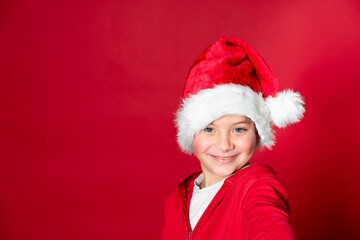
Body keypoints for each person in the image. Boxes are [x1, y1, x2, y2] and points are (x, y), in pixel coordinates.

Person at [161, 36, 305, 240]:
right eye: (209, 129)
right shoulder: (176, 199)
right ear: (191, 132)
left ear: (256, 133)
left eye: (238, 130)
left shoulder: (257, 185)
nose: (224, 144)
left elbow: (269, 225)